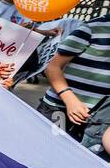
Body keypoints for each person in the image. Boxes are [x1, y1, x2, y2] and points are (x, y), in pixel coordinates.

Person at [41, 13, 110, 143]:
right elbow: (52, 67)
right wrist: (70, 100)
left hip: (97, 119)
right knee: (49, 150)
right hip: (60, 108)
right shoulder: (92, 28)